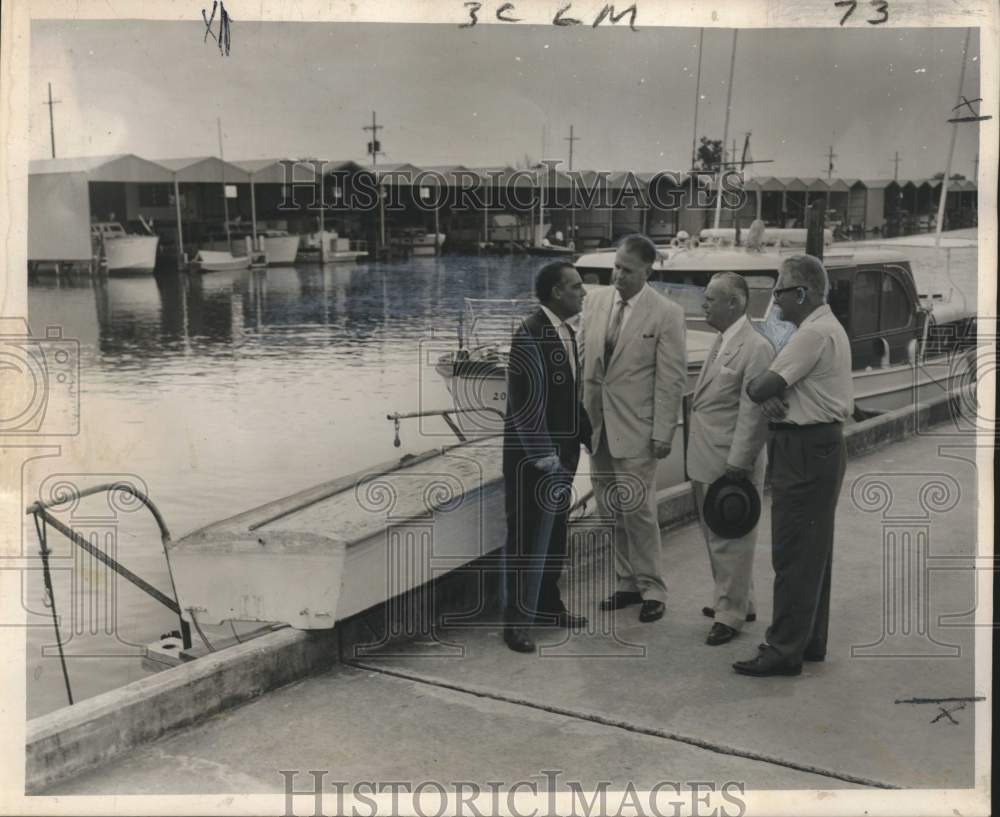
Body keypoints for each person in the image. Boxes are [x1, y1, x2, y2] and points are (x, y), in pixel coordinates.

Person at [733, 254, 853, 677]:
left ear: (801, 292)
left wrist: (760, 387)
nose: (776, 300)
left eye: (780, 290)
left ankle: (783, 649)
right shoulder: (828, 328)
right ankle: (808, 641)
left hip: (802, 449)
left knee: (792, 553)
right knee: (814, 551)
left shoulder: (810, 334)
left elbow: (760, 386)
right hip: (821, 446)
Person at [579, 234, 687, 623]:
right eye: (616, 266)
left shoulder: (666, 313)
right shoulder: (594, 301)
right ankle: (626, 582)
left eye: (627, 270)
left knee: (639, 509)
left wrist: (664, 432)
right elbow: (583, 362)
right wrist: (580, 418)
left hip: (638, 429)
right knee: (610, 509)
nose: (617, 275)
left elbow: (671, 379)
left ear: (647, 271)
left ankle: (653, 587)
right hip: (597, 426)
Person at [501, 261, 591, 653]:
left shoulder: (566, 332)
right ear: (557, 292)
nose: (583, 293)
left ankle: (548, 608)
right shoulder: (530, 334)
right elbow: (523, 404)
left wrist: (588, 436)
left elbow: (568, 395)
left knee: (554, 534)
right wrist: (542, 454)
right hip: (535, 461)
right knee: (525, 538)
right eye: (576, 287)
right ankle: (515, 624)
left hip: (563, 454)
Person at [687, 272, 774, 646]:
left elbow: (753, 412)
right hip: (707, 454)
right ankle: (741, 600)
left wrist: (739, 462)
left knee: (730, 538)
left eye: (710, 299)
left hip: (729, 459)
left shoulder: (755, 347)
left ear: (734, 304)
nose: (703, 305)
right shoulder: (724, 340)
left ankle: (730, 615)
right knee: (718, 535)